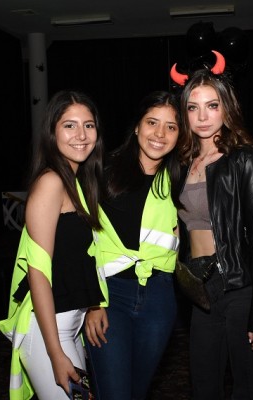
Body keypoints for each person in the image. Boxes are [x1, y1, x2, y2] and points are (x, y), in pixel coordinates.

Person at [174, 64, 253, 399]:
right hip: (200, 290)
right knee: (204, 385)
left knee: (247, 387)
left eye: (212, 105)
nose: (202, 116)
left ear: (226, 108)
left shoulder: (242, 159)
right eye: (193, 107)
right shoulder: (181, 163)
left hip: (237, 285)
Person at [0, 90, 105, 400]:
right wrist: (55, 353)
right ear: (52, 132)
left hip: (69, 326)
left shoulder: (77, 183)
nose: (81, 135)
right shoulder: (51, 183)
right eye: (69, 125)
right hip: (48, 333)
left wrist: (95, 305)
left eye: (89, 125)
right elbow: (39, 274)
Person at [84, 91, 187, 400]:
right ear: (137, 127)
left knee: (137, 391)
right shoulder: (101, 171)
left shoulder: (178, 178)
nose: (160, 134)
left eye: (171, 127)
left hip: (159, 297)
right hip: (110, 297)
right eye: (152, 122)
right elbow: (80, 242)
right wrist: (92, 302)